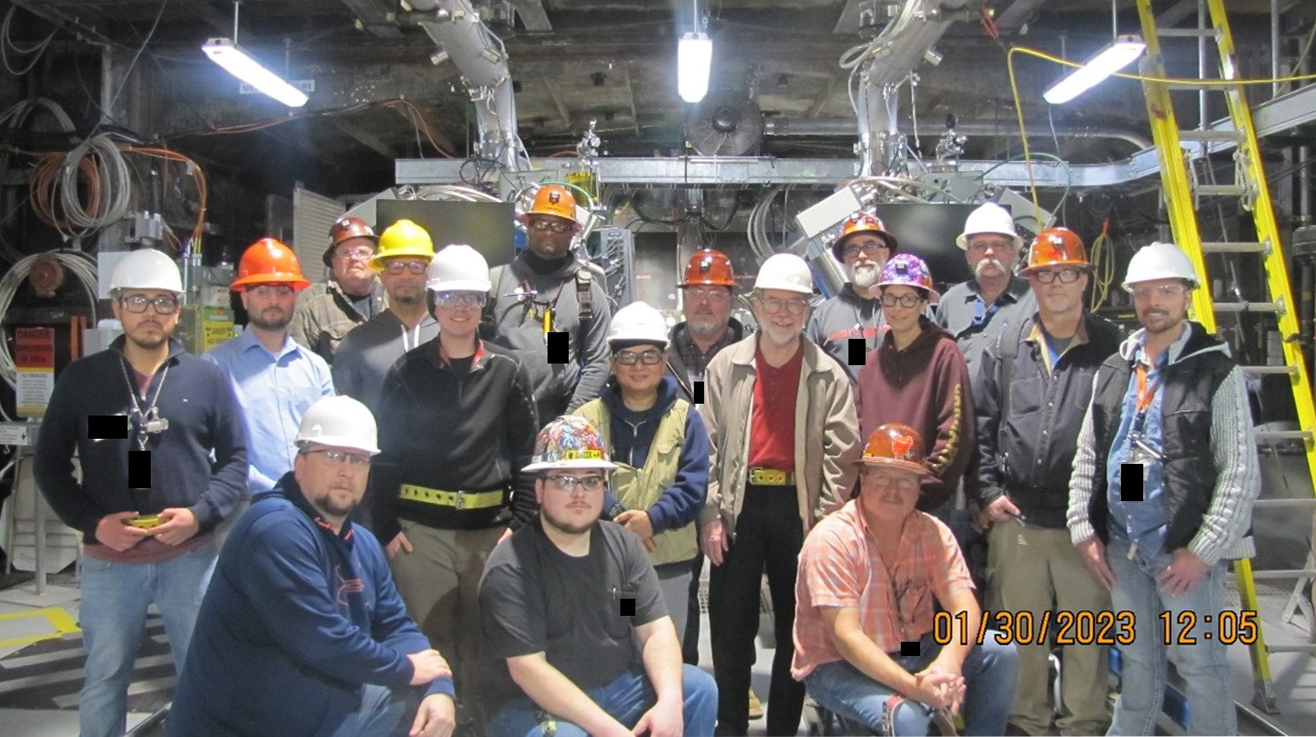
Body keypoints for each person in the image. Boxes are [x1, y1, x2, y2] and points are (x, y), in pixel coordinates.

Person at [33, 249, 247, 737]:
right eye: (137, 300)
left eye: (163, 301)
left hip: (189, 558)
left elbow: (236, 460)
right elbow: (49, 465)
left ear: (178, 309)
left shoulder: (205, 378)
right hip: (110, 562)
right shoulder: (84, 381)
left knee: (202, 674)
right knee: (104, 679)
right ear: (116, 307)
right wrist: (95, 524)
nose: (150, 311)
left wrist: (199, 516)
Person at [169, 396, 457, 737]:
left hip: (317, 713)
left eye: (359, 459)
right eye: (332, 455)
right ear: (299, 464)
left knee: (422, 710)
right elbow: (324, 641)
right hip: (241, 725)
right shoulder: (274, 528)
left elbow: (395, 625)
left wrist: (439, 687)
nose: (346, 471)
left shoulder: (362, 543)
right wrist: (409, 668)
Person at [1068, 242, 1259, 736]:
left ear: (1188, 297)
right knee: (1137, 663)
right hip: (1125, 550)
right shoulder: (1116, 368)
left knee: (1202, 667)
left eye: (1167, 291)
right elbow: (1089, 454)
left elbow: (1239, 473)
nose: (1155, 301)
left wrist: (1202, 551)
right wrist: (1083, 529)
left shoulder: (1216, 372)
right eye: (1144, 292)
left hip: (1183, 553)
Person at [369, 243, 540, 706]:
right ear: (433, 302)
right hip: (421, 536)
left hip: (490, 533)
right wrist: (386, 528)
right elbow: (384, 456)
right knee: (429, 646)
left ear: (483, 303)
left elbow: (527, 454)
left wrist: (519, 524)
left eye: (470, 298)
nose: (460, 308)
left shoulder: (508, 371)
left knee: (489, 646)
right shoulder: (406, 371)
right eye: (449, 297)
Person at [700, 253, 861, 735]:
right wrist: (710, 512)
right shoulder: (724, 366)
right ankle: (729, 723)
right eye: (774, 302)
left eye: (795, 303)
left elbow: (844, 454)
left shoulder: (829, 373)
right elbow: (703, 441)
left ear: (809, 310)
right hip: (738, 508)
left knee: (796, 627)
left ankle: (784, 728)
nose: (784, 313)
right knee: (731, 626)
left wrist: (825, 525)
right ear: (756, 305)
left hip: (800, 511)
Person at [478, 415, 718, 736]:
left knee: (698, 689)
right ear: (538, 489)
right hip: (534, 702)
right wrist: (611, 731)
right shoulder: (511, 565)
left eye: (591, 480)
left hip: (618, 687)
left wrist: (671, 702)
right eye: (564, 479)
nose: (580, 493)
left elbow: (655, 631)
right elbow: (529, 670)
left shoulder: (624, 545)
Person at [971, 228, 1121, 736]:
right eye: (1045, 274)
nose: (1056, 283)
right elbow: (983, 424)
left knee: (1087, 644)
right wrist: (988, 495)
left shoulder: (1114, 350)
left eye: (1068, 272)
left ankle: (1084, 727)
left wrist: (1122, 517)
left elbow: (1133, 441)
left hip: (1088, 532)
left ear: (1085, 279)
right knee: (1023, 645)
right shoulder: (1009, 345)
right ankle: (1027, 726)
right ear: (1030, 280)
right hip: (1019, 526)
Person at [793, 423, 1017, 736]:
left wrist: (949, 663)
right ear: (863, 478)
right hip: (838, 663)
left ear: (919, 486)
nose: (893, 489)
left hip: (910, 649)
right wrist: (915, 689)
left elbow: (965, 607)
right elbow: (847, 638)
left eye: (905, 479)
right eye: (882, 476)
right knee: (908, 717)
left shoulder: (933, 532)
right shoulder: (832, 539)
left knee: (999, 650)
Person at [575, 300, 711, 641]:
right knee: (618, 647)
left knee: (665, 649)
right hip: (608, 566)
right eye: (627, 356)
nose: (639, 365)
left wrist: (653, 520)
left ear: (664, 361)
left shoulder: (686, 418)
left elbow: (694, 486)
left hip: (669, 566)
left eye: (649, 355)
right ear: (612, 363)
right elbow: (580, 480)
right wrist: (623, 517)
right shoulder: (586, 421)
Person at [204, 238, 333, 513]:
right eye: (262, 290)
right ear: (244, 296)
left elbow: (329, 439)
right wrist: (269, 488)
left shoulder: (315, 367)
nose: (274, 300)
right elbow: (210, 448)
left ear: (295, 296)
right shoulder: (216, 365)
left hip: (311, 506)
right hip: (244, 506)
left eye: (283, 291)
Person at [855, 254, 974, 513]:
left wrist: (915, 492)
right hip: (877, 501)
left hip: (928, 503)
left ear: (923, 303)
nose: (898, 308)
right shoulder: (870, 363)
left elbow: (955, 435)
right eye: (890, 298)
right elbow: (859, 430)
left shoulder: (945, 354)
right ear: (881, 302)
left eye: (908, 298)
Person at [486, 184, 612, 422]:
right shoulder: (494, 283)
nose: (549, 232)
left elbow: (599, 361)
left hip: (562, 417)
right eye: (541, 223)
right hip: (500, 420)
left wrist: (569, 421)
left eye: (559, 225)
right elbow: (474, 350)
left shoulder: (587, 292)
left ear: (574, 231)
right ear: (527, 225)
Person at [332, 219, 440, 413]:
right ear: (382, 274)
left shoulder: (451, 336)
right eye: (396, 266)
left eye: (416, 266)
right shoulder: (356, 343)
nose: (406, 275)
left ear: (429, 273)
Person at [935, 202, 1037, 385]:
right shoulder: (951, 301)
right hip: (963, 409)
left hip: (1017, 411)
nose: (989, 253)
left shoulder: (1036, 298)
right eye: (979, 246)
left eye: (998, 245)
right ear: (968, 255)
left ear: (1013, 252)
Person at [806, 212, 896, 382]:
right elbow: (809, 377)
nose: (861, 256)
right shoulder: (823, 316)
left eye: (870, 246)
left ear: (886, 253)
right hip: (845, 409)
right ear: (844, 259)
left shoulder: (911, 306)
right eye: (852, 249)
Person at [291, 215, 387, 364]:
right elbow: (297, 365)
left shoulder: (392, 295)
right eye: (346, 253)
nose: (354, 258)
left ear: (375, 258)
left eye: (361, 252)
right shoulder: (312, 303)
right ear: (333, 262)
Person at [667, 248, 745, 403]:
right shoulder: (659, 357)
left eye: (715, 294)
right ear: (684, 299)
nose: (704, 302)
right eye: (696, 293)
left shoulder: (751, 356)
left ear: (731, 302)